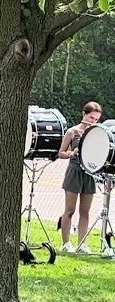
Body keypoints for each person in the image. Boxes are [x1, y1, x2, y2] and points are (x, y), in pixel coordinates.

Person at [58, 101, 103, 254]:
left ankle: (82, 244)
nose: (93, 122)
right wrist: (72, 153)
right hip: (74, 171)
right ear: (84, 114)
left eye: (96, 120)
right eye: (91, 118)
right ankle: (66, 243)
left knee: (85, 211)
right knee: (69, 210)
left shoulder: (96, 133)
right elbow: (61, 153)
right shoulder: (72, 132)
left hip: (89, 174)